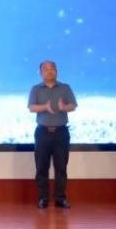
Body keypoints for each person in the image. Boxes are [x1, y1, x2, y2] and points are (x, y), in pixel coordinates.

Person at [27, 60, 78, 209]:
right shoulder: (36, 89)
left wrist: (64, 107)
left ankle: (60, 198)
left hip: (61, 132)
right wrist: (45, 107)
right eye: (46, 69)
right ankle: (43, 198)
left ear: (57, 71)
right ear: (41, 73)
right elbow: (31, 107)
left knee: (61, 167)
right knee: (41, 167)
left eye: (52, 69)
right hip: (43, 132)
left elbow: (73, 106)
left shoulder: (65, 87)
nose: (50, 72)